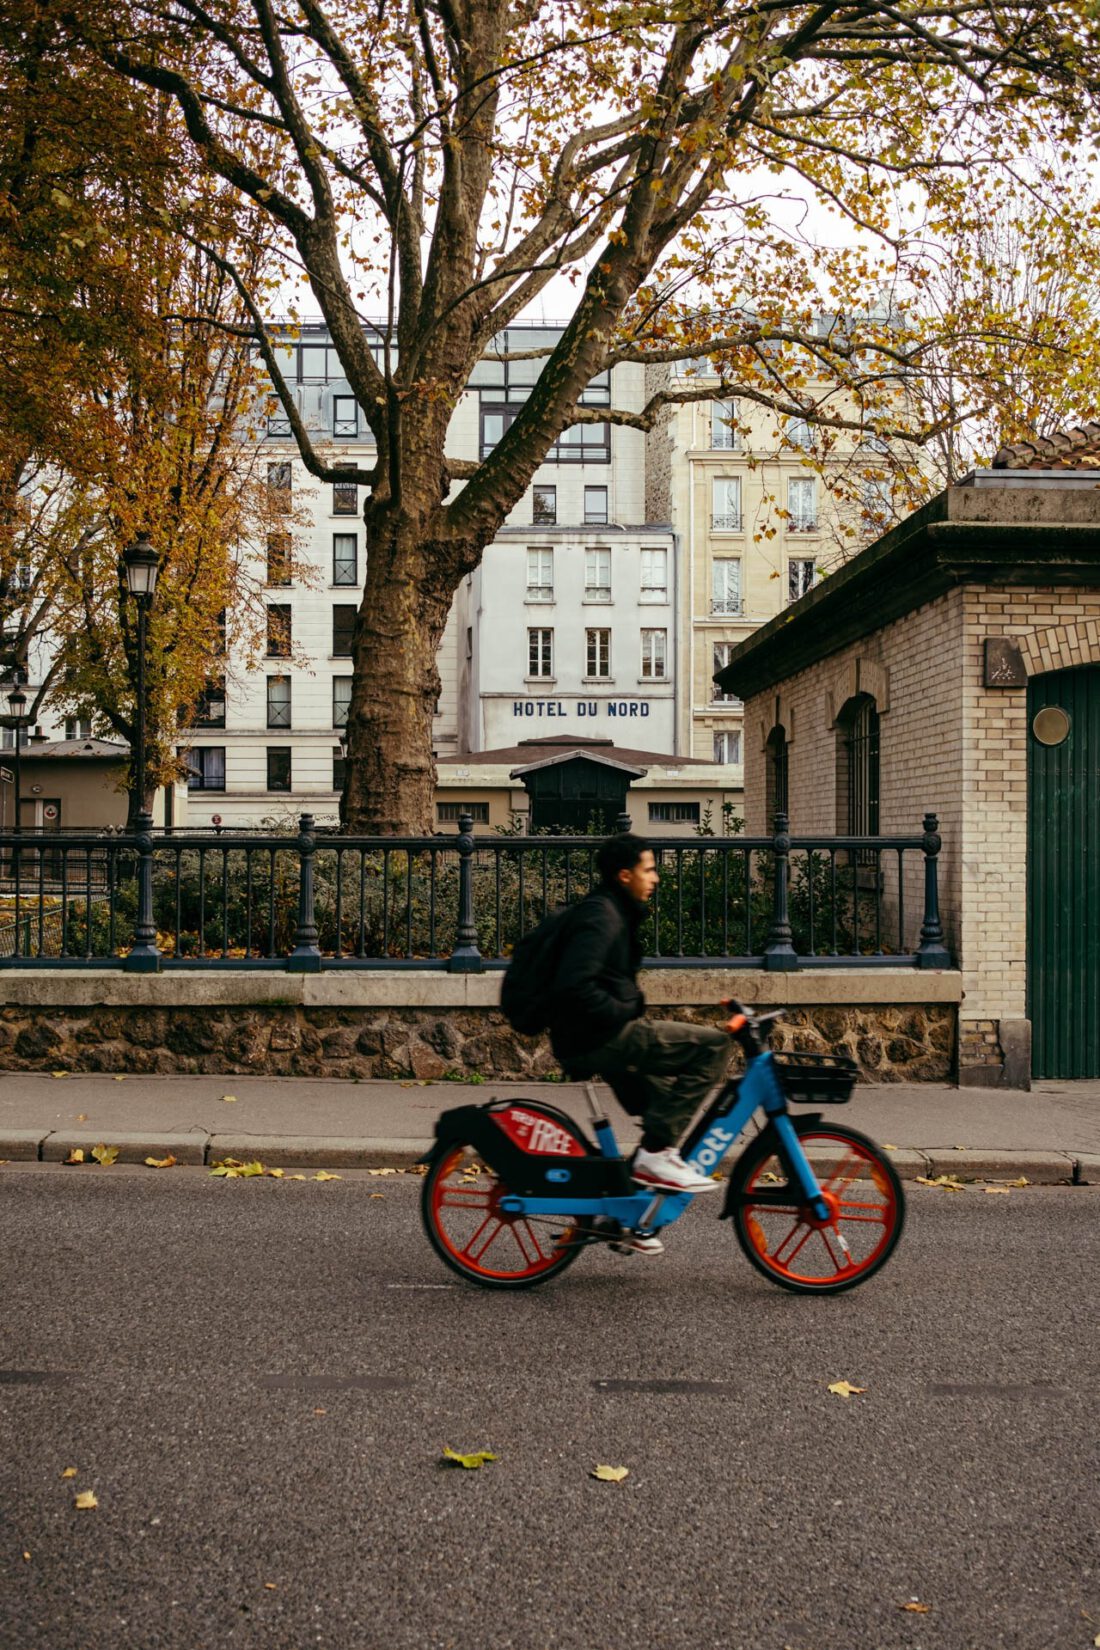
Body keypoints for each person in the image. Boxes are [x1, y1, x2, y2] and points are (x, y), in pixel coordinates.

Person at [546, 833, 730, 1250]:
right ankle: (654, 1156)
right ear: (624, 874)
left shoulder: (615, 910)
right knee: (714, 1046)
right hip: (603, 1037)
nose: (657, 877)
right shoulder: (603, 916)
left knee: (662, 1103)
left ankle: (629, 1220)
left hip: (595, 1036)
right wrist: (623, 1017)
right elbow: (574, 986)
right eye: (649, 869)